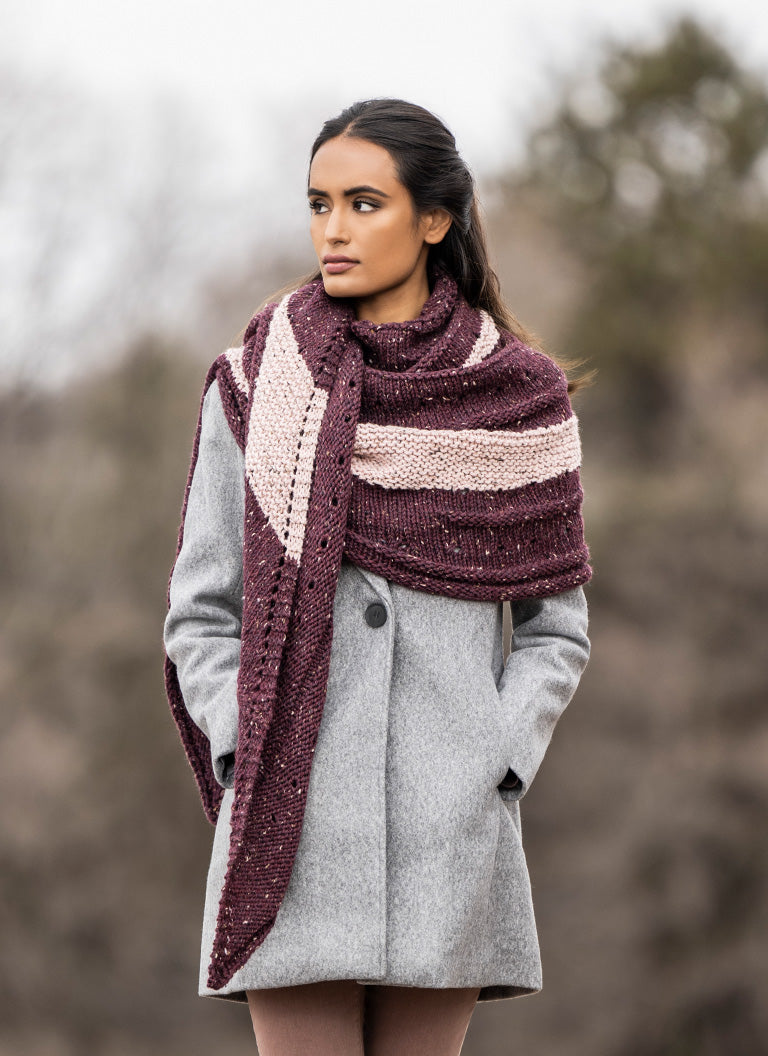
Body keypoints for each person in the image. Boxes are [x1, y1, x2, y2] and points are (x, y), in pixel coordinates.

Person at [163, 97, 593, 1056]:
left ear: (434, 218)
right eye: (319, 205)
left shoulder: (520, 399)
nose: (334, 230)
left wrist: (497, 756)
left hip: (453, 833)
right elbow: (201, 613)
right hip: (290, 825)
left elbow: (556, 628)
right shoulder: (252, 386)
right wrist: (245, 744)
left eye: (364, 204)